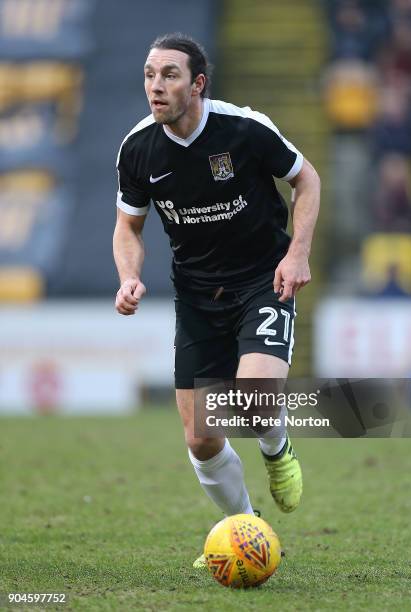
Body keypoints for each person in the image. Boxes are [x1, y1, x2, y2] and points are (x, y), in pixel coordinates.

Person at [113, 33, 321, 567]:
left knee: (252, 400)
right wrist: (128, 276)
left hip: (262, 280)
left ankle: (276, 449)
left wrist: (296, 255)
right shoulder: (138, 148)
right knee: (202, 438)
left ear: (198, 83)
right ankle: (249, 531)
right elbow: (128, 227)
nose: (155, 87)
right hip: (198, 295)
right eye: (149, 74)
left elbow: (308, 180)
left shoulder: (245, 129)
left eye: (169, 75)